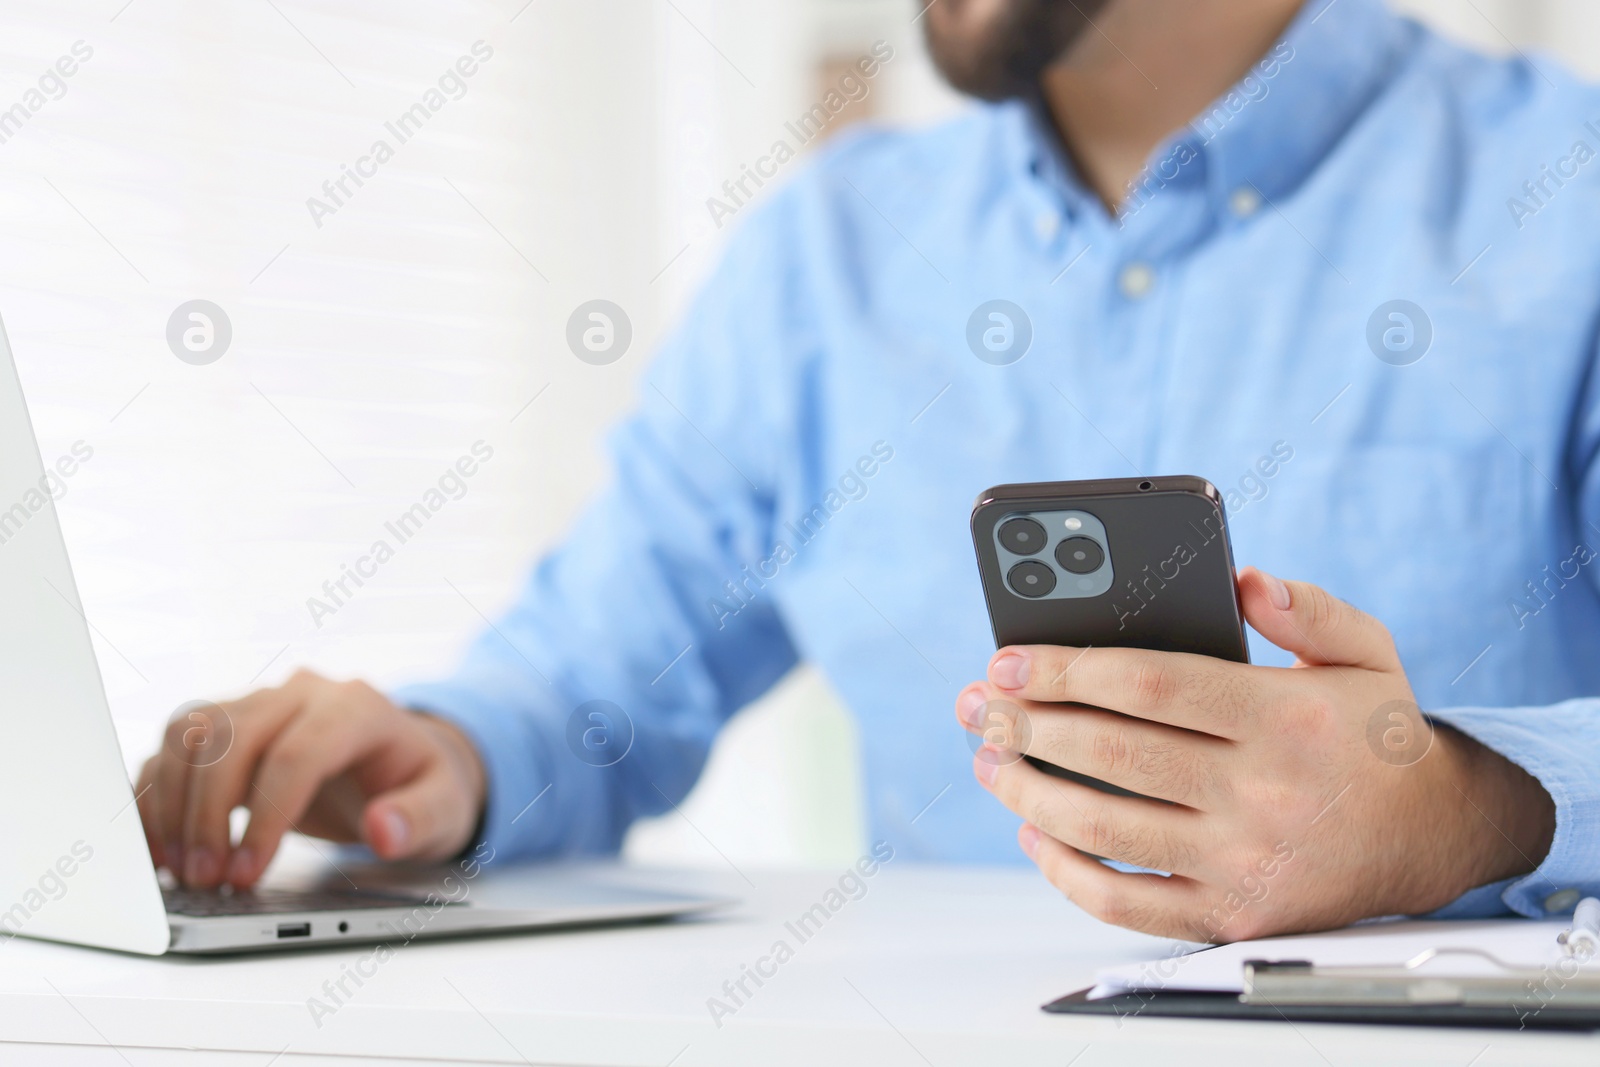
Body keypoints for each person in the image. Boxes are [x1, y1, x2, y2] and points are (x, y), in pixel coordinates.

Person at [137, 0, 1600, 942]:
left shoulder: (1570, 195)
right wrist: (438, 759)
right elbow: (593, 673)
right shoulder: (824, 257)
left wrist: (1471, 805)